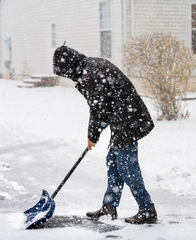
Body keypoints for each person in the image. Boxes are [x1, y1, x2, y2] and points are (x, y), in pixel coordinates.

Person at [53, 45, 157, 224]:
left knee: (126, 166)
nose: (68, 77)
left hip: (129, 120)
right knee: (113, 161)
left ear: (69, 67)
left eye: (65, 73)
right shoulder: (91, 66)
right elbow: (106, 105)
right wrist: (97, 132)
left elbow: (98, 109)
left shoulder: (90, 74)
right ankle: (109, 206)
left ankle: (147, 209)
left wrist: (92, 136)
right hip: (124, 118)